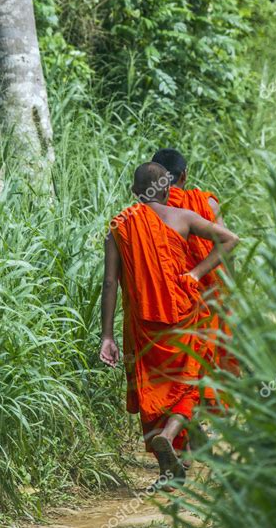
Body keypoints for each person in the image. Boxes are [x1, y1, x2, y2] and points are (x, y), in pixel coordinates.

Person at [99, 162, 239, 489]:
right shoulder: (184, 217)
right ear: (167, 189)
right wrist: (195, 274)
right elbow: (230, 239)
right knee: (189, 382)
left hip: (142, 325)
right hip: (184, 317)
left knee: (153, 389)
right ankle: (171, 434)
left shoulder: (119, 227)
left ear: (135, 192)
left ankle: (167, 470)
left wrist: (106, 335)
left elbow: (109, 283)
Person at [152, 148, 240, 411]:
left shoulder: (149, 213)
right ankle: (209, 412)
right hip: (209, 293)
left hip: (171, 297)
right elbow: (226, 248)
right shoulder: (207, 204)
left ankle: (177, 417)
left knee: (180, 362)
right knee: (210, 351)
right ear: (184, 175)